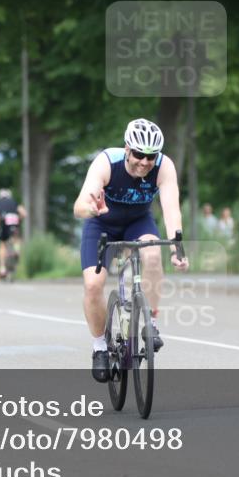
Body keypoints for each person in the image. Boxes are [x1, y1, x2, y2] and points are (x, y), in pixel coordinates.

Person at [73, 118, 189, 383]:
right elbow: (79, 205)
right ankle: (100, 347)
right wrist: (92, 208)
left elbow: (172, 209)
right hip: (102, 223)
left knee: (151, 254)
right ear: (127, 148)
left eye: (150, 156)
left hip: (138, 222)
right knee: (93, 285)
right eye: (139, 154)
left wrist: (176, 248)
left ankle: (152, 322)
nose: (144, 162)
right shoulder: (106, 162)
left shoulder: (164, 166)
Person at [0, 188, 26, 280]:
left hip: (4, 221)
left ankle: (2, 268)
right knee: (16, 239)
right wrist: (19, 220)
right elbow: (23, 213)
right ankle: (17, 250)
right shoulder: (14, 202)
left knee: (2, 245)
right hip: (14, 220)